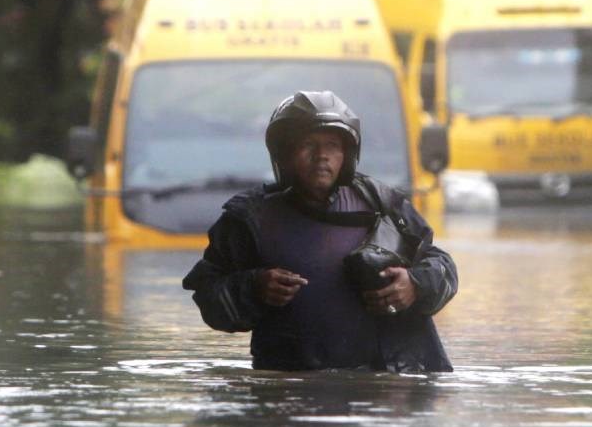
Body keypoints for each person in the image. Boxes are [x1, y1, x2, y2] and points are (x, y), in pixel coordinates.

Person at [182, 90, 458, 372]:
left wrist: (415, 285)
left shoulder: (383, 204)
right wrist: (253, 287)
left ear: (347, 155)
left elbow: (442, 264)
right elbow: (207, 293)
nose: (322, 156)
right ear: (284, 153)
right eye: (308, 144)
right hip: (290, 388)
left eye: (332, 145)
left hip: (388, 390)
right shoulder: (249, 219)